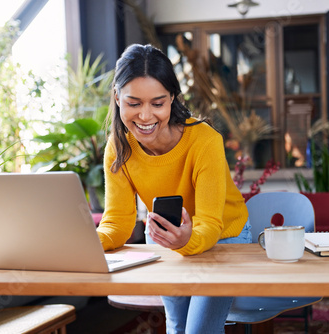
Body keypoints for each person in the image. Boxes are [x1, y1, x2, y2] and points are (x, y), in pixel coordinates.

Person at [96, 44, 251, 334]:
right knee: (177, 327)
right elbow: (117, 222)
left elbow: (210, 222)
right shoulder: (119, 149)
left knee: (198, 331)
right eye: (133, 103)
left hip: (224, 236)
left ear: (172, 99)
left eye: (157, 103)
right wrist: (88, 244)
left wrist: (186, 240)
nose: (145, 116)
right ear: (117, 98)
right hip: (167, 235)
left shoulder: (204, 141)